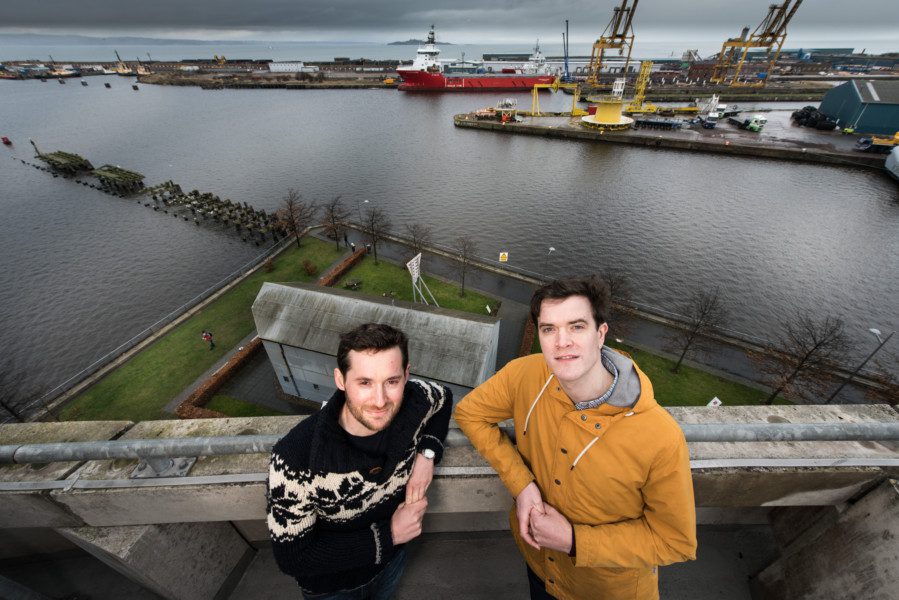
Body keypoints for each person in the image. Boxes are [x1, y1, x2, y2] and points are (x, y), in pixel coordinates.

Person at [454, 275, 696, 600]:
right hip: (540, 569)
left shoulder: (661, 437)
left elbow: (674, 542)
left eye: (577, 326)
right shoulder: (524, 374)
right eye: (548, 329)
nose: (561, 341)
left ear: (601, 334)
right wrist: (522, 484)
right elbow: (470, 413)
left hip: (607, 593)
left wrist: (574, 541)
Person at [267, 323, 452, 599]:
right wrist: (388, 536)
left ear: (406, 375)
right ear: (340, 380)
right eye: (364, 382)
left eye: (392, 381)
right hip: (332, 588)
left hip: (390, 564)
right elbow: (292, 557)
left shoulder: (415, 400)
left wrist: (427, 456)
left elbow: (444, 398)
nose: (380, 401)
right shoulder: (295, 459)